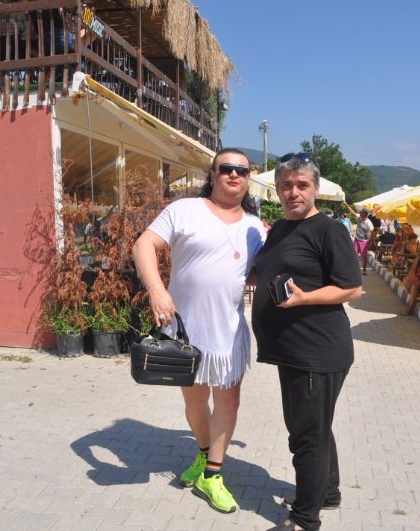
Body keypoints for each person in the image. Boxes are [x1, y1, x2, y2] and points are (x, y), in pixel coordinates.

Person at [132, 148, 265, 514]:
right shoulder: (185, 209)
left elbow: (263, 269)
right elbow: (144, 244)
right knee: (194, 402)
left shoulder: (255, 227)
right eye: (227, 168)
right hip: (186, 332)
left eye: (242, 170)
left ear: (248, 178)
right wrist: (156, 290)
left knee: (229, 401)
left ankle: (213, 474)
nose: (234, 174)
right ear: (213, 173)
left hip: (229, 331)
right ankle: (204, 453)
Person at [252, 153, 362, 531]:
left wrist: (304, 298)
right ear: (277, 190)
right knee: (315, 426)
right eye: (286, 185)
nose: (293, 192)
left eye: (302, 185)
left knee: (306, 436)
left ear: (315, 189)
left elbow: (351, 288)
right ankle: (327, 492)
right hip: (291, 350)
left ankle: (304, 519)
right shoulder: (280, 229)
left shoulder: (329, 230)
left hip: (316, 349)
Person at [342, 202, 374, 275]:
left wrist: (370, 242)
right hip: (357, 239)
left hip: (364, 241)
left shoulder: (368, 222)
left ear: (365, 214)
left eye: (361, 212)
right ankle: (352, 269)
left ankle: (364, 270)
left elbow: (372, 232)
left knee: (364, 256)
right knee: (354, 255)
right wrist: (346, 204)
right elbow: (352, 212)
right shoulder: (359, 217)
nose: (360, 213)